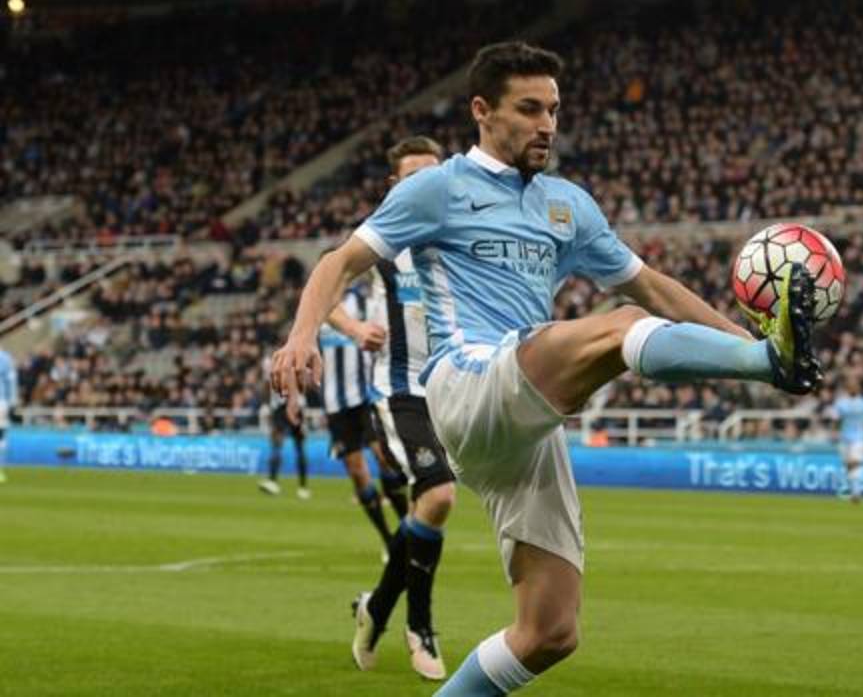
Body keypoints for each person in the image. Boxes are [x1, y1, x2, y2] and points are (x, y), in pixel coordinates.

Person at [269, 41, 820, 696]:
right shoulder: (438, 187)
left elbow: (655, 287)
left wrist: (750, 341)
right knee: (616, 329)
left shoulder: (568, 205)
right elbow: (338, 260)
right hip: (465, 381)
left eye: (554, 109)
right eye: (529, 109)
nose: (547, 125)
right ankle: (765, 360)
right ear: (482, 111)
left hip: (526, 423)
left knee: (550, 630)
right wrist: (303, 334)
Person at [341, 136, 458, 681]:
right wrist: (351, 327)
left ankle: (376, 609)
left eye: (430, 175)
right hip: (399, 390)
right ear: (394, 186)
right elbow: (326, 280)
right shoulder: (383, 241)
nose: (422, 186)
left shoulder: (459, 237)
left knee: (423, 511)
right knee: (439, 494)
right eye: (410, 178)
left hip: (452, 391)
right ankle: (421, 627)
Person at [318, 271, 394, 549]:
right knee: (357, 472)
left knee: (384, 458)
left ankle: (405, 528)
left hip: (366, 396)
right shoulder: (317, 306)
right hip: (334, 403)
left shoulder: (363, 304)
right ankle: (388, 540)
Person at [259, 356, 309, 499]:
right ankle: (276, 482)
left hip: (293, 407)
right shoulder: (275, 361)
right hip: (282, 408)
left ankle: (301, 486)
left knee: (296, 446)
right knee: (282, 444)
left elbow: (302, 384)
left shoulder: (287, 361)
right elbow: (268, 386)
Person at [829, 377, 863, 503]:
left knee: (855, 463)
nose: (853, 388)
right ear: (848, 388)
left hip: (859, 438)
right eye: (851, 386)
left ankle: (856, 492)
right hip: (844, 438)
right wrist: (834, 433)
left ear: (858, 388)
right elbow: (836, 420)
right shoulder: (841, 403)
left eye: (855, 386)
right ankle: (852, 490)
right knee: (848, 465)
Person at [0, 347, 16, 484]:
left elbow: (11, 381)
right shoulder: (5, 358)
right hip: (1, 402)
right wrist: (12, 402)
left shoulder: (5, 358)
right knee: (1, 436)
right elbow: (11, 381)